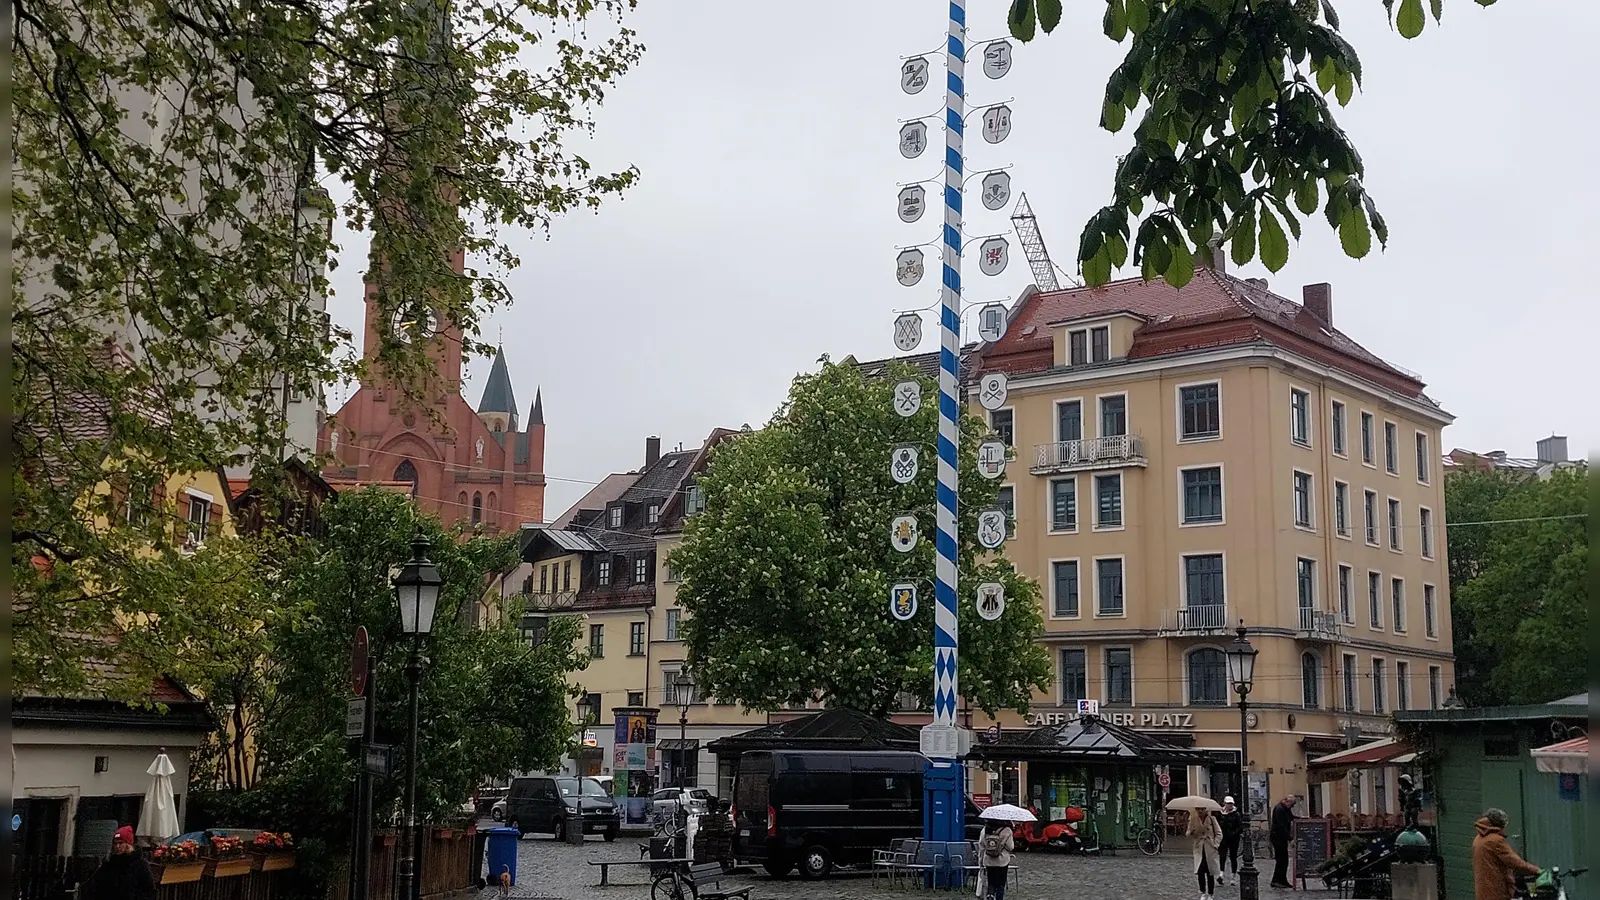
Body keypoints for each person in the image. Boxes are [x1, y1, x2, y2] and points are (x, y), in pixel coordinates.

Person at [1473, 808, 1540, 900]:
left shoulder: (1479, 838)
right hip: (1496, 890)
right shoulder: (1495, 840)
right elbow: (1514, 861)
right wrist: (1537, 870)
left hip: (1483, 889)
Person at [81, 826, 156, 900]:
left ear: (128, 844)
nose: (117, 846)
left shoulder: (140, 864)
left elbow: (149, 891)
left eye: (120, 843)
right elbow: (97, 888)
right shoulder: (108, 864)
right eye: (115, 843)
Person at [1189, 806, 1223, 900]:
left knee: (1210, 871)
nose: (1200, 811)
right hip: (1199, 847)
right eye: (1198, 809)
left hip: (1210, 847)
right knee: (1200, 871)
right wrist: (1192, 832)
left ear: (1206, 810)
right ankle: (1202, 892)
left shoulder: (1212, 819)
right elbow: (1188, 832)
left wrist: (1216, 844)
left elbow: (1219, 832)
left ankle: (1211, 893)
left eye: (1202, 809)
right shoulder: (1194, 820)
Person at [979, 818, 1014, 900]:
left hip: (988, 861)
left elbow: (982, 846)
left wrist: (980, 862)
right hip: (1002, 861)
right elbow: (1010, 847)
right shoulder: (1007, 830)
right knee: (1001, 885)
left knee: (991, 882)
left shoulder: (985, 830)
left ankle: (990, 895)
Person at [1269, 796, 1296, 888]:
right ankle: (1276, 880)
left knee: (1284, 860)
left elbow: (1291, 817)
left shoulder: (1285, 808)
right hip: (1277, 837)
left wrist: (1301, 819)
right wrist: (1290, 838)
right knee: (1281, 860)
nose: (1291, 807)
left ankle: (1282, 880)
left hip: (1281, 837)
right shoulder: (1279, 809)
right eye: (1291, 805)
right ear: (1287, 802)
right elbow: (1281, 826)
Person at [1217, 796, 1244, 885]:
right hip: (1223, 838)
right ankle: (1221, 875)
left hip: (1234, 839)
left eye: (1231, 804)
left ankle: (1233, 877)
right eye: (1228, 804)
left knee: (1233, 857)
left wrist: (1234, 833)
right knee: (1222, 856)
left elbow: (1240, 827)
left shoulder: (1236, 814)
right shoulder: (1220, 813)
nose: (1230, 805)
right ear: (1225, 804)